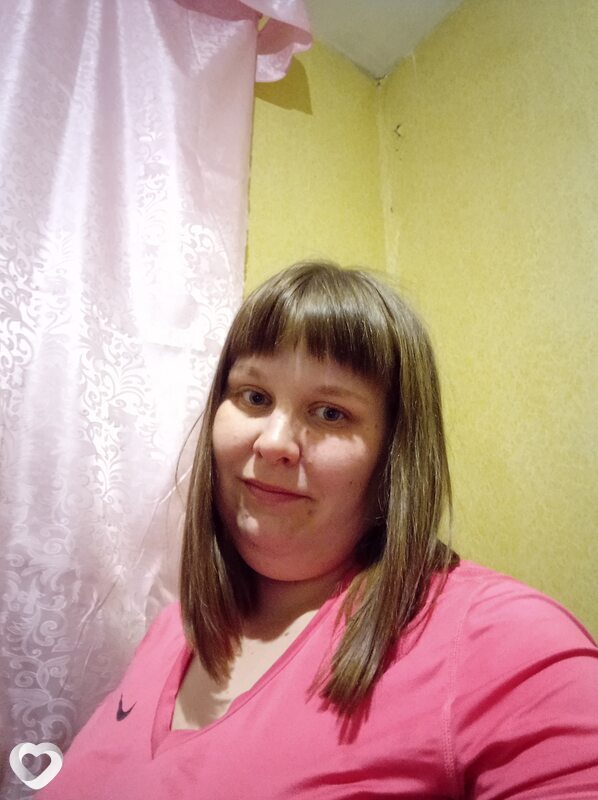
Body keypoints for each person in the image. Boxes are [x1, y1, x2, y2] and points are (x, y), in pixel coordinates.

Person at [36, 261, 598, 799]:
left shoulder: (505, 642)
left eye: (330, 412)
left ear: (394, 456)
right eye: (255, 397)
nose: (273, 442)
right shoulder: (173, 630)